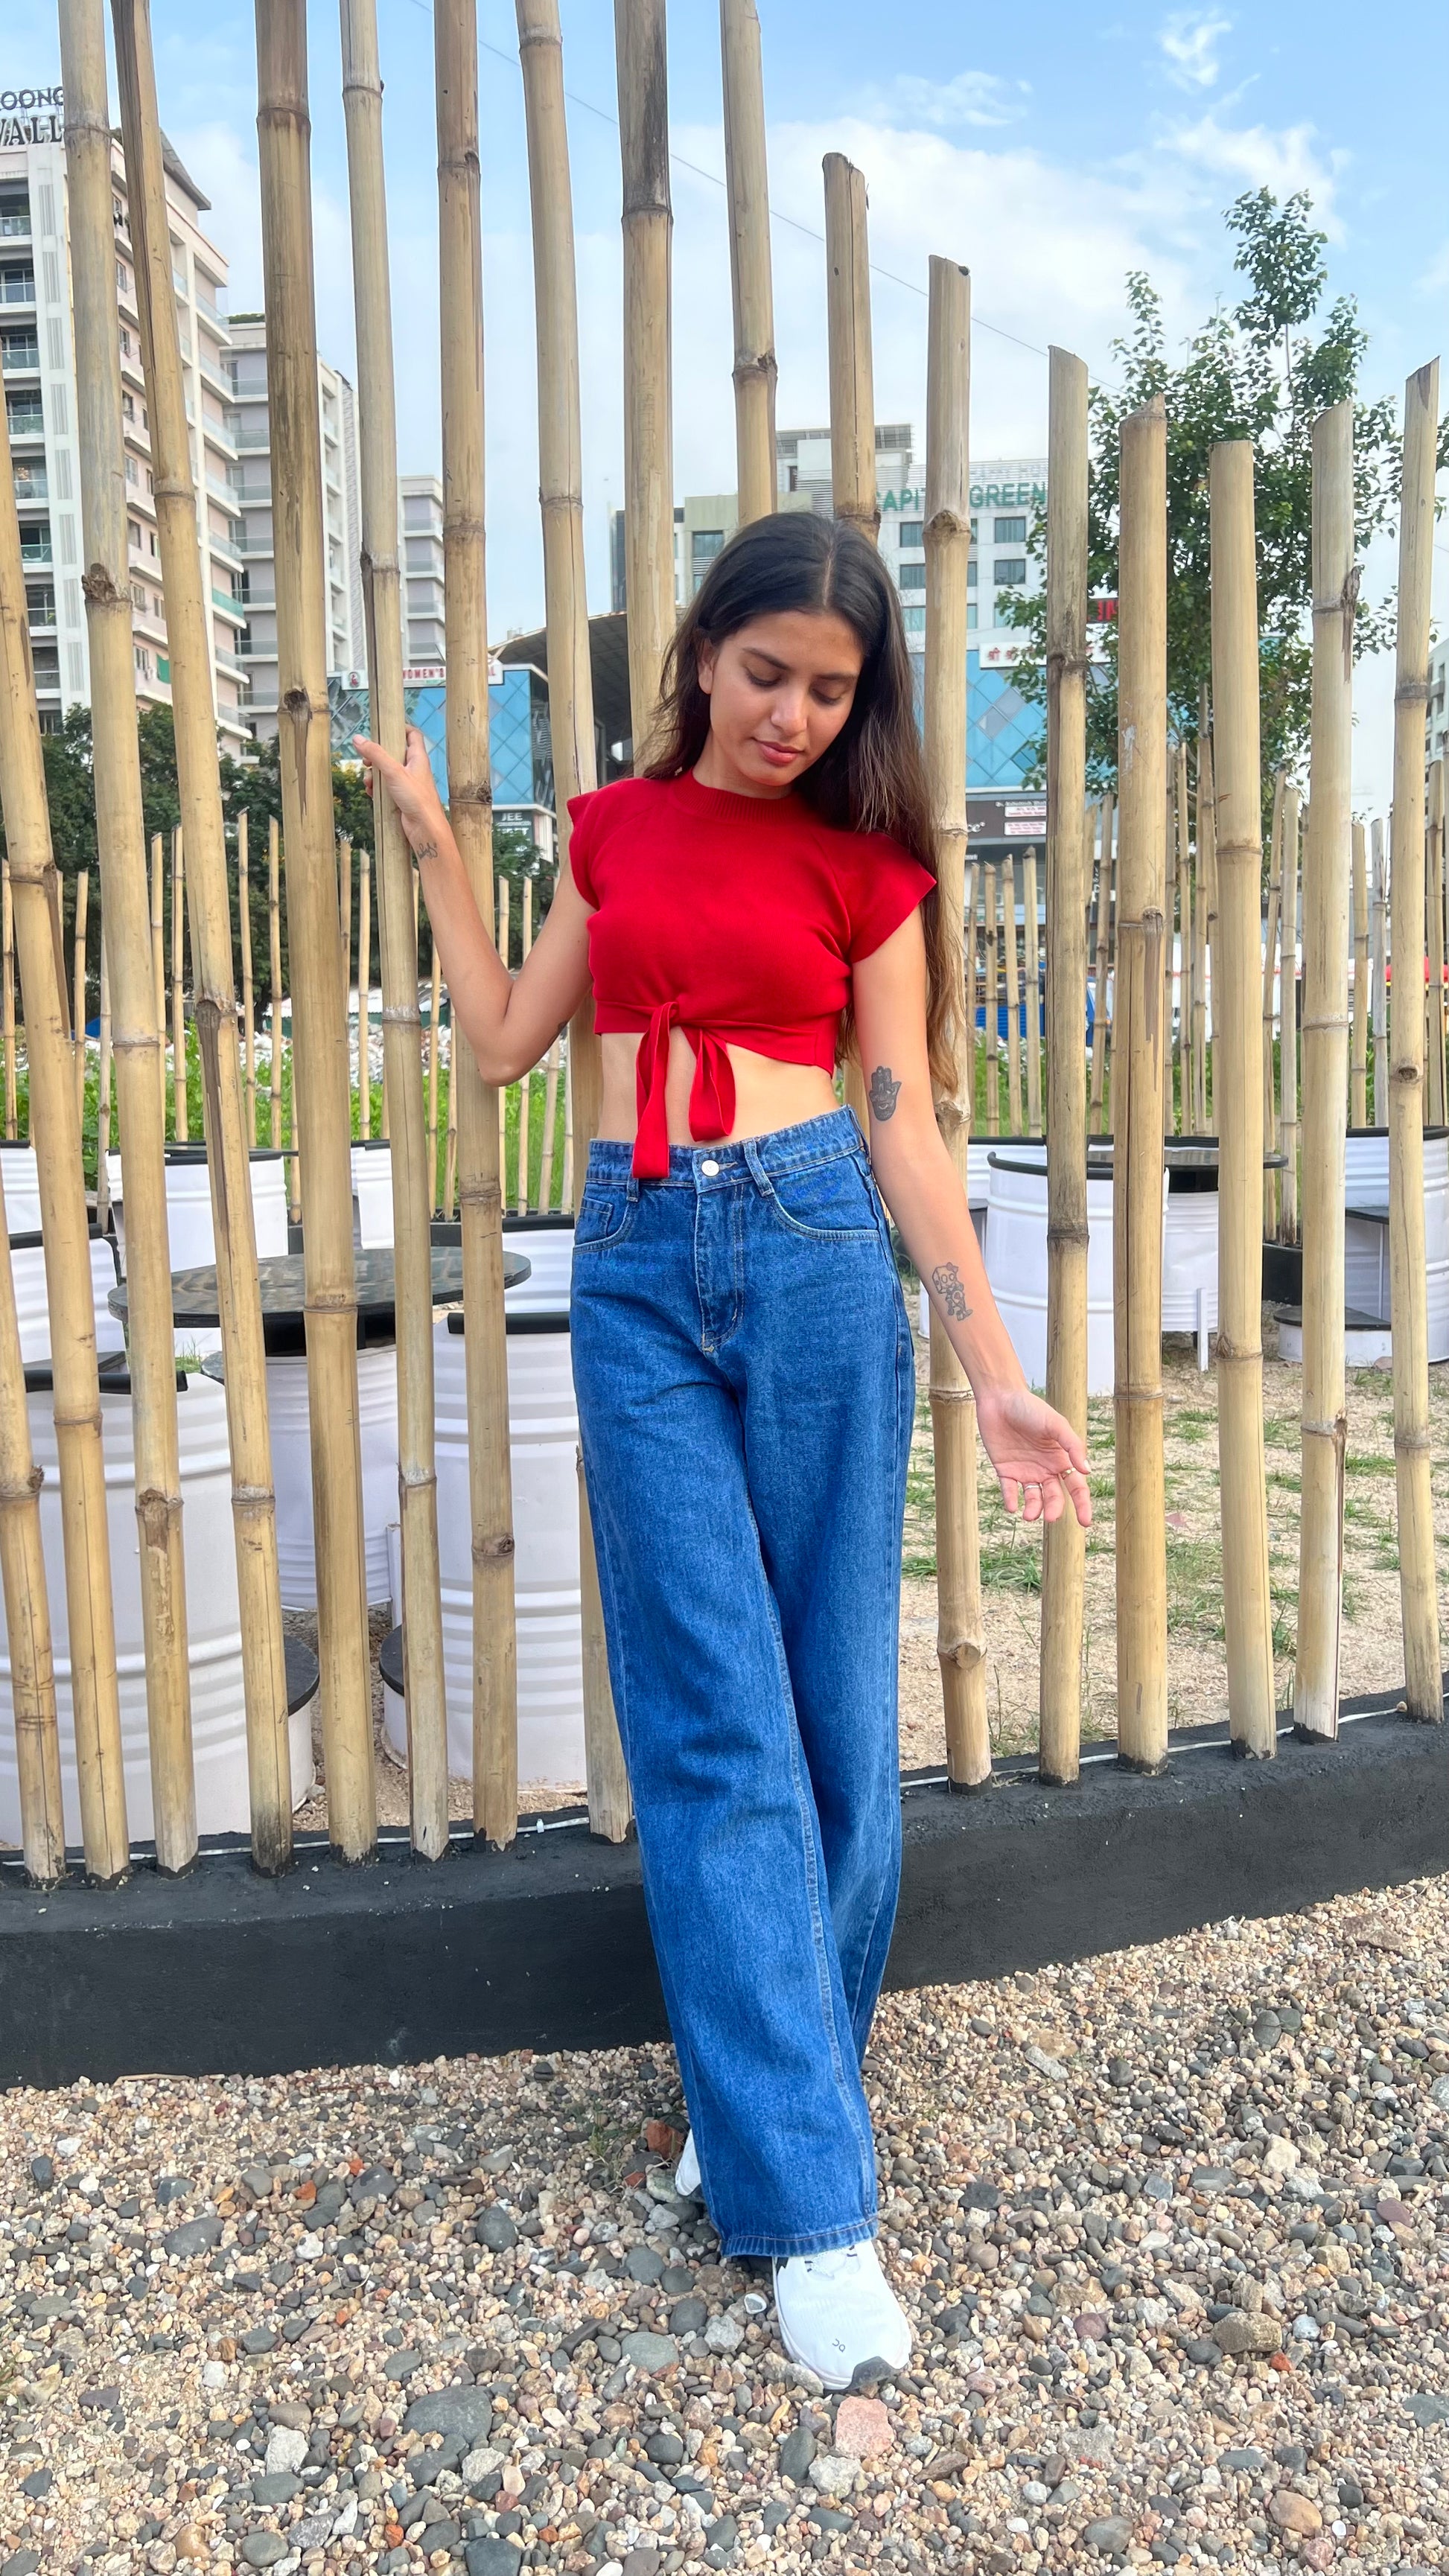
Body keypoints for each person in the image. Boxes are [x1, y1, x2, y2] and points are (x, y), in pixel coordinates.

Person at [354, 509, 1090, 2391]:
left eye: (832, 689)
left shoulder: (870, 863)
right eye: (767, 673)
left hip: (820, 1243)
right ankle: (812, 2203)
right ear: (702, 654)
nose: (793, 714)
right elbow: (506, 1041)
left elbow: (903, 1118)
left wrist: (996, 1365)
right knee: (711, 1725)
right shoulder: (609, 830)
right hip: (633, 1264)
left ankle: (763, 2102)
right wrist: (436, 843)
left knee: (833, 1714)